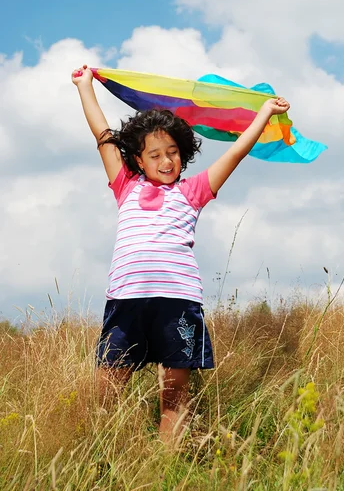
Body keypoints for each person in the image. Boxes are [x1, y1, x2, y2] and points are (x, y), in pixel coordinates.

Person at [71, 64, 290, 443]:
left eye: (172, 152)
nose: (166, 161)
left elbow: (237, 152)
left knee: (174, 395)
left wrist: (264, 114)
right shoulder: (125, 185)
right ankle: (102, 457)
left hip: (178, 304)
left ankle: (166, 469)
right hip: (127, 302)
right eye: (154, 155)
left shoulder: (193, 191)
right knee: (106, 391)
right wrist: (84, 86)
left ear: (182, 154)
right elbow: (103, 134)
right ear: (138, 160)